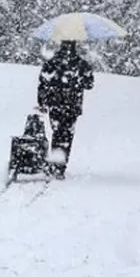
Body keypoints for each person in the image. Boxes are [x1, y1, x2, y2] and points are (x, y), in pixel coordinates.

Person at [36, 41, 95, 179]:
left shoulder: (52, 62)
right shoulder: (81, 64)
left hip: (55, 104)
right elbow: (90, 84)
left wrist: (42, 102)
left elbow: (42, 82)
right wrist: (77, 81)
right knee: (67, 135)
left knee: (57, 132)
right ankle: (60, 166)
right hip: (72, 105)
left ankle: (56, 162)